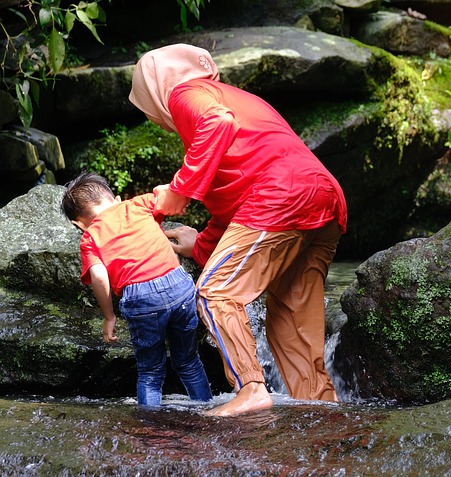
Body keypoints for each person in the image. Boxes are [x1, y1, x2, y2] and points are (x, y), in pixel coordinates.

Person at [128, 43, 348, 417]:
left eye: (146, 107)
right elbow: (233, 213)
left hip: (282, 196)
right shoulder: (238, 99)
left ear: (155, 87)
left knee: (215, 292)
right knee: (288, 322)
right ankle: (320, 411)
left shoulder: (184, 92)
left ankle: (250, 388)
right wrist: (198, 246)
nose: (153, 117)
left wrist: (179, 190)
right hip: (321, 199)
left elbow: (217, 123)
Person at [60, 171, 213, 407]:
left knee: (151, 372)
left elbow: (100, 277)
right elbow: (168, 194)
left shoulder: (90, 237)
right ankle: (207, 410)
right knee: (189, 361)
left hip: (141, 298)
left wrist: (109, 316)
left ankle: (150, 429)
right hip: (179, 285)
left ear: (78, 223)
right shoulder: (138, 204)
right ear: (117, 199)